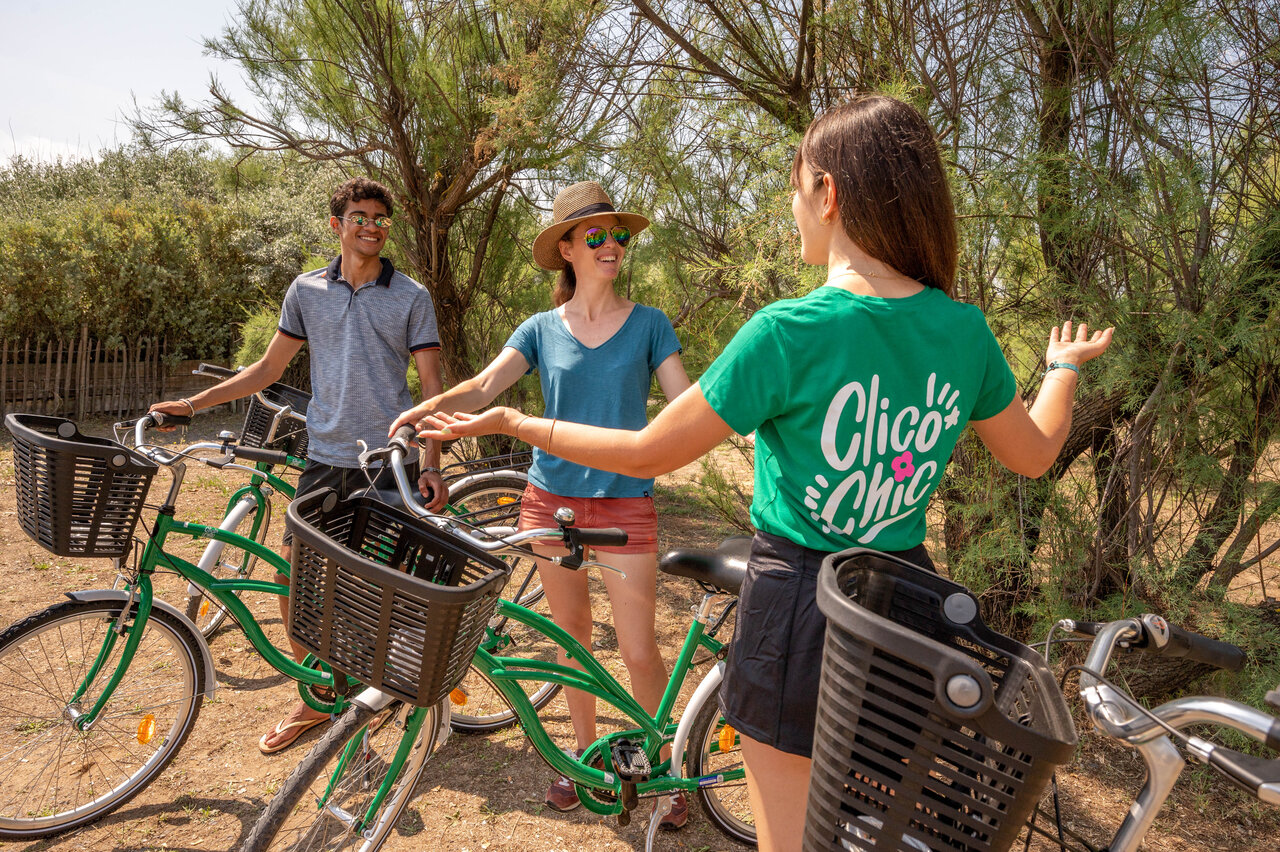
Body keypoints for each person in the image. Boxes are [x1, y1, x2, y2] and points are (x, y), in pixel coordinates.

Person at [412, 95, 1114, 852]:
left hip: (798, 608)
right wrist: (1062, 368)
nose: (792, 204)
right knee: (869, 829)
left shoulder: (788, 331)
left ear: (829, 192)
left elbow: (651, 451)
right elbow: (1037, 453)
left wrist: (517, 423)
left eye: (797, 184)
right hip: (908, 603)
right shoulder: (963, 329)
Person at [389, 180, 692, 826]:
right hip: (550, 503)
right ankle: (584, 761)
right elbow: (483, 387)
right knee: (572, 643)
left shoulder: (650, 326)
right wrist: (422, 411)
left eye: (619, 236)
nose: (612, 246)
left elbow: (683, 403)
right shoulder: (540, 329)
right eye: (597, 236)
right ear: (567, 250)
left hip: (625, 508)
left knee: (639, 651)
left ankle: (667, 772)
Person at [150, 176, 450, 754]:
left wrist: (431, 464)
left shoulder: (410, 296)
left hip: (388, 465)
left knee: (371, 593)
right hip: (324, 458)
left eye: (381, 218)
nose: (372, 226)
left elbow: (432, 386)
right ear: (337, 225)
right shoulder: (306, 291)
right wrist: (191, 405)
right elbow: (267, 371)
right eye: (360, 216)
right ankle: (319, 697)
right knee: (295, 586)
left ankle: (377, 699)